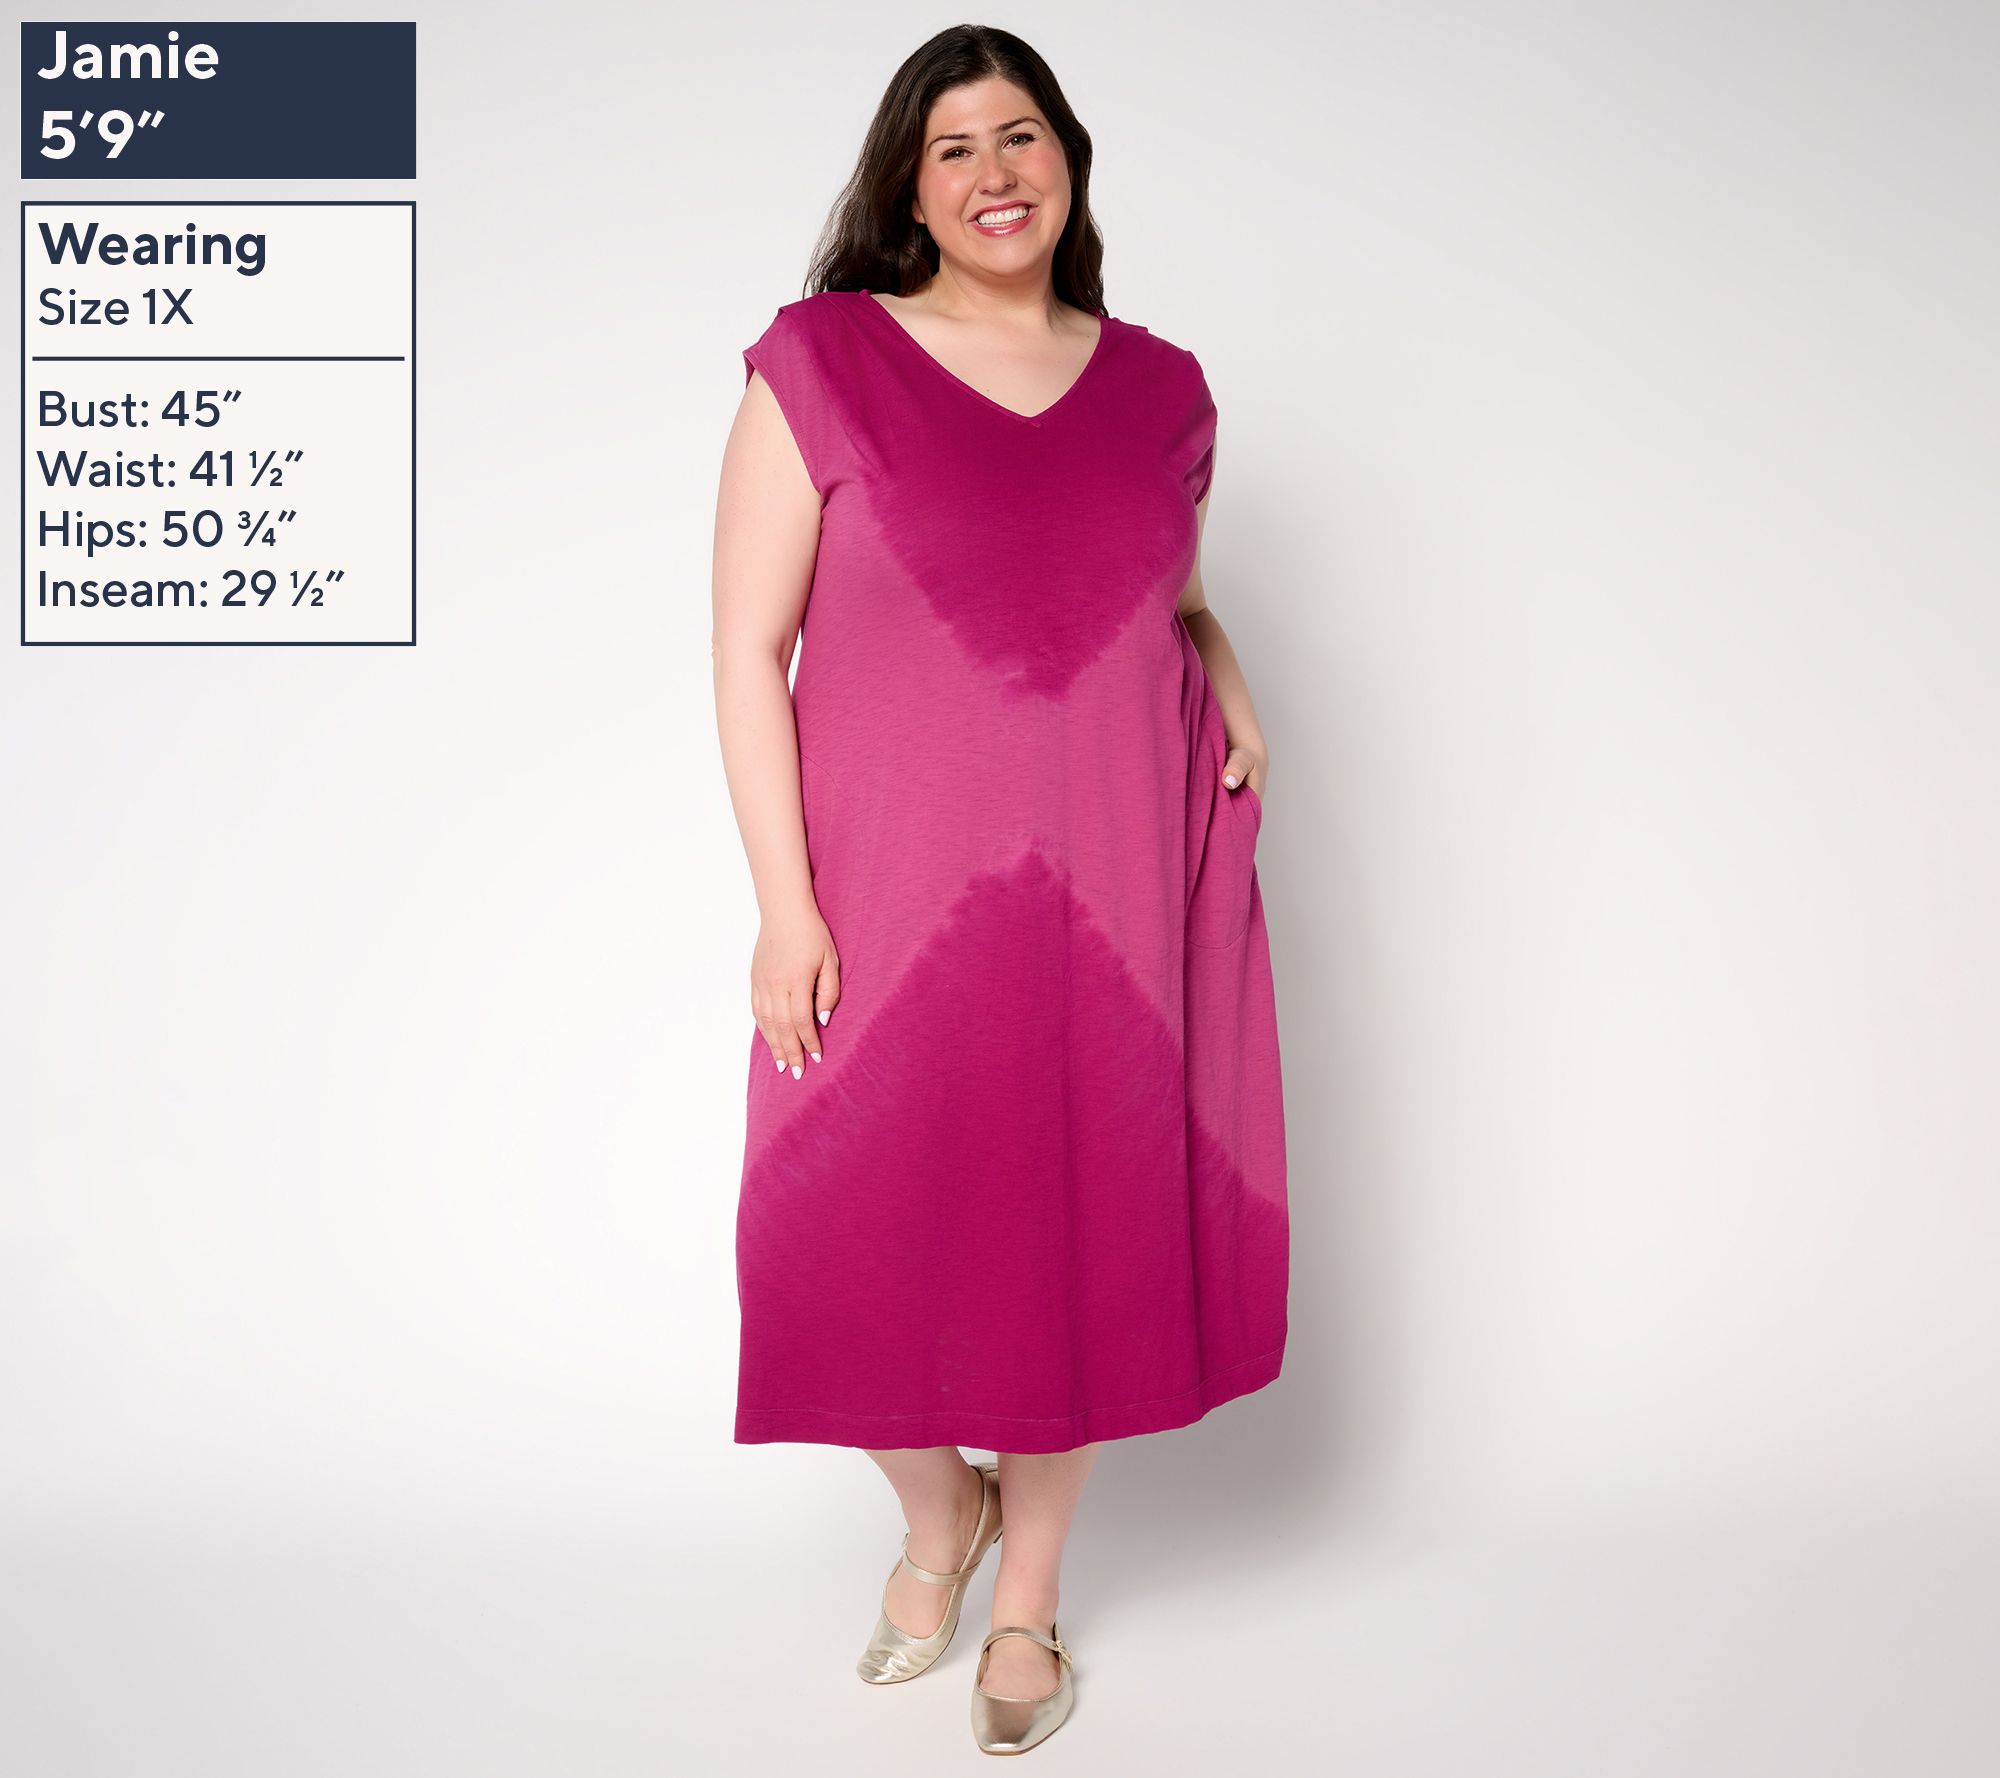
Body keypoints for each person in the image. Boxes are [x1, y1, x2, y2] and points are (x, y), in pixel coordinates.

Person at [711, 23, 1289, 1757]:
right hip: (890, 889)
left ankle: (1025, 1592)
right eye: (953, 146)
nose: (993, 172)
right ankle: (938, 1512)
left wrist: (1227, 664)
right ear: (910, 188)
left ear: (1069, 160)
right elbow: (746, 648)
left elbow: (1154, 590)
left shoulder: (1163, 388)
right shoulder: (823, 362)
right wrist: (786, 904)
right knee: (825, 1230)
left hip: (1107, 879)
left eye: (1020, 134)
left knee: (1076, 1227)